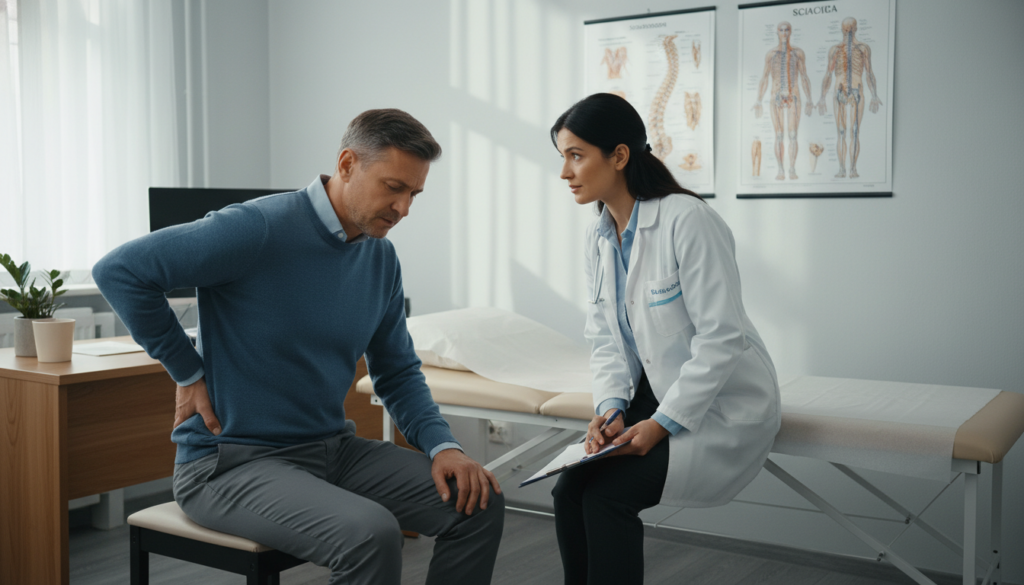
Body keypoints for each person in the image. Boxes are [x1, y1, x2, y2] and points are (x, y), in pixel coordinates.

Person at [93, 109, 504, 585]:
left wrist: (443, 446)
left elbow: (397, 372)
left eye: (414, 194)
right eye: (394, 187)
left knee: (479, 501)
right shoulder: (257, 227)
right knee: (370, 534)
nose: (403, 208)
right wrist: (187, 370)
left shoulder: (380, 258)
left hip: (332, 450)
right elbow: (120, 271)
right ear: (347, 164)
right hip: (230, 462)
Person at [550, 93, 781, 585]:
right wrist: (611, 407)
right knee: (568, 491)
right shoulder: (598, 237)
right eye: (562, 157)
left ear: (618, 155)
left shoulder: (687, 219)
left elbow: (722, 337)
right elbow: (605, 337)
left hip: (717, 401)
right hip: (648, 393)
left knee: (607, 496)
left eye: (576, 155)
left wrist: (662, 424)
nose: (565, 172)